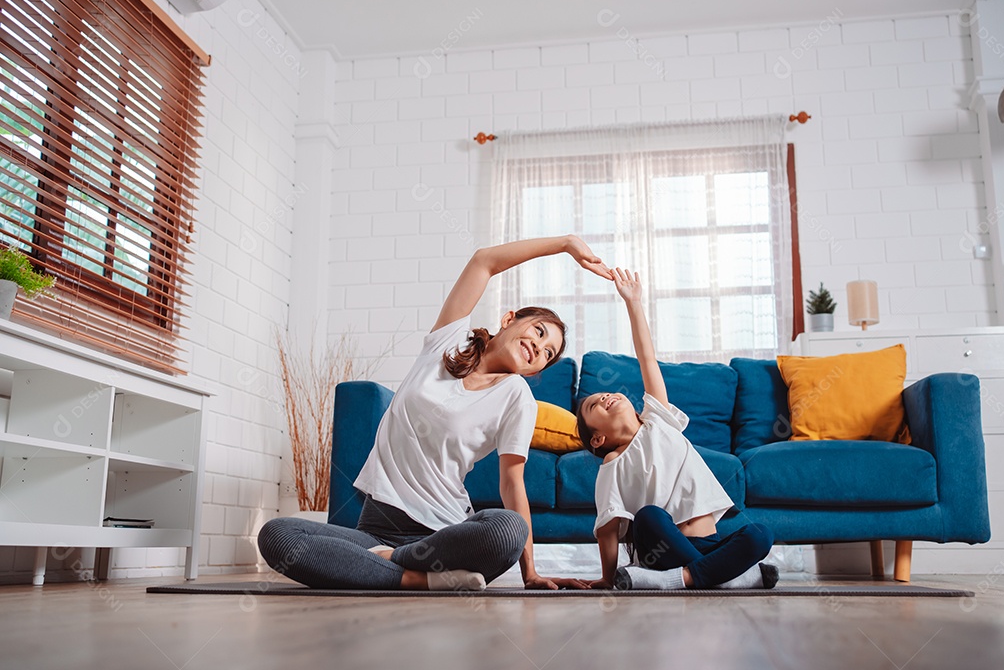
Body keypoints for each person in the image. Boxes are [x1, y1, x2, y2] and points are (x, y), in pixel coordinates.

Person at [258, 235, 613, 591]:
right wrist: (565, 244)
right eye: (539, 331)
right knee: (278, 535)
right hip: (377, 529)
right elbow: (484, 261)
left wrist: (530, 573)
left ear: (537, 369)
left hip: (445, 535)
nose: (539, 346)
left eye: (548, 353)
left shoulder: (516, 396)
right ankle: (416, 577)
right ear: (508, 319)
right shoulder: (448, 341)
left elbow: (512, 482)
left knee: (508, 529)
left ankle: (380, 567)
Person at [577, 268, 778, 591]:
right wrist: (608, 577)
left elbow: (647, 360)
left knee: (760, 534)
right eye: (594, 405)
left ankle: (686, 578)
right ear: (598, 438)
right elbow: (608, 527)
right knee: (649, 515)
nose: (605, 397)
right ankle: (731, 577)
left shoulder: (658, 418)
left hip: (707, 544)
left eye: (605, 394)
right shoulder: (613, 463)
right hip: (661, 547)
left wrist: (633, 303)